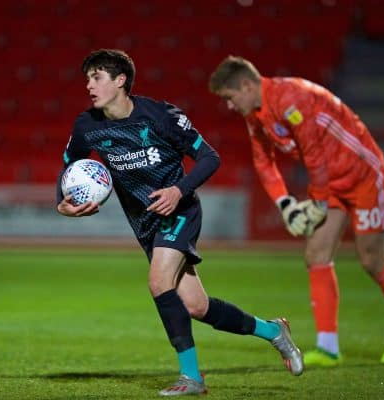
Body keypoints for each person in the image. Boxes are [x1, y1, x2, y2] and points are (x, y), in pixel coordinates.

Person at [56, 49, 303, 396]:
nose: (89, 86)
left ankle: (192, 378)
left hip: (180, 210)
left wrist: (178, 189)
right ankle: (273, 331)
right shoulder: (88, 126)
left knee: (159, 282)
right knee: (196, 306)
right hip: (145, 224)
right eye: (87, 79)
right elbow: (70, 166)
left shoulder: (160, 116)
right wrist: (62, 204)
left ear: (120, 80)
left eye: (96, 77)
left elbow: (209, 157)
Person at [208, 56, 384, 367]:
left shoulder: (290, 98)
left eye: (230, 98)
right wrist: (286, 204)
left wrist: (317, 202)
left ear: (245, 85)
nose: (229, 106)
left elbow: (314, 154)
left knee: (372, 260)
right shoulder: (255, 111)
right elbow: (263, 161)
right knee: (316, 255)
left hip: (363, 174)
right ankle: (328, 347)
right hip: (331, 182)